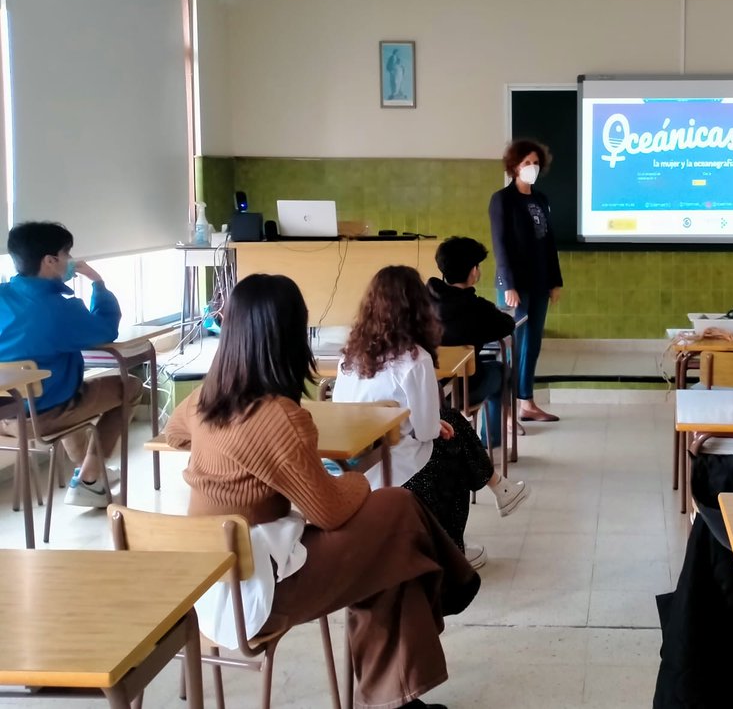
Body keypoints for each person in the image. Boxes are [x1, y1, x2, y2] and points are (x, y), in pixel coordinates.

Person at [164, 274, 478, 709]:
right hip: (258, 592)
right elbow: (329, 511)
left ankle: (406, 687)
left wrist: (217, 453)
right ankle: (453, 583)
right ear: (290, 336)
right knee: (397, 509)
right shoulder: (279, 418)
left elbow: (173, 433)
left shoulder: (203, 400)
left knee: (392, 545)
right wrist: (353, 478)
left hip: (206, 583)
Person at [333, 265, 529, 568]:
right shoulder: (415, 359)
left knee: (449, 421)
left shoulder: (350, 355)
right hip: (398, 470)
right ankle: (453, 550)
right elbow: (424, 432)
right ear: (419, 308)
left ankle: (498, 490)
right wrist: (435, 425)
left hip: (354, 468)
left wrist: (433, 424)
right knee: (453, 450)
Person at [0, 221, 139, 507]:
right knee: (131, 386)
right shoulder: (59, 310)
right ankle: (90, 478)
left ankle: (88, 471)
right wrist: (98, 283)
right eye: (67, 254)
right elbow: (105, 329)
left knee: (69, 390)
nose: (70, 260)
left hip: (4, 413)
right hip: (39, 416)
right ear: (50, 261)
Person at [488, 139, 563, 423]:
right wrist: (508, 285)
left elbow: (549, 242)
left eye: (535, 163)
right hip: (514, 285)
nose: (531, 167)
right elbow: (500, 243)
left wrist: (555, 281)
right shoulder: (502, 200)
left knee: (532, 344)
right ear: (514, 167)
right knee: (512, 346)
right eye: (526, 163)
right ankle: (506, 412)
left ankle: (526, 402)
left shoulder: (541, 199)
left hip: (540, 281)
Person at [428, 236, 516, 448]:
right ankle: (490, 440)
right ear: (474, 271)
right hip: (465, 389)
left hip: (426, 388)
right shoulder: (478, 308)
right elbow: (507, 325)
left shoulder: (420, 301)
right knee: (503, 370)